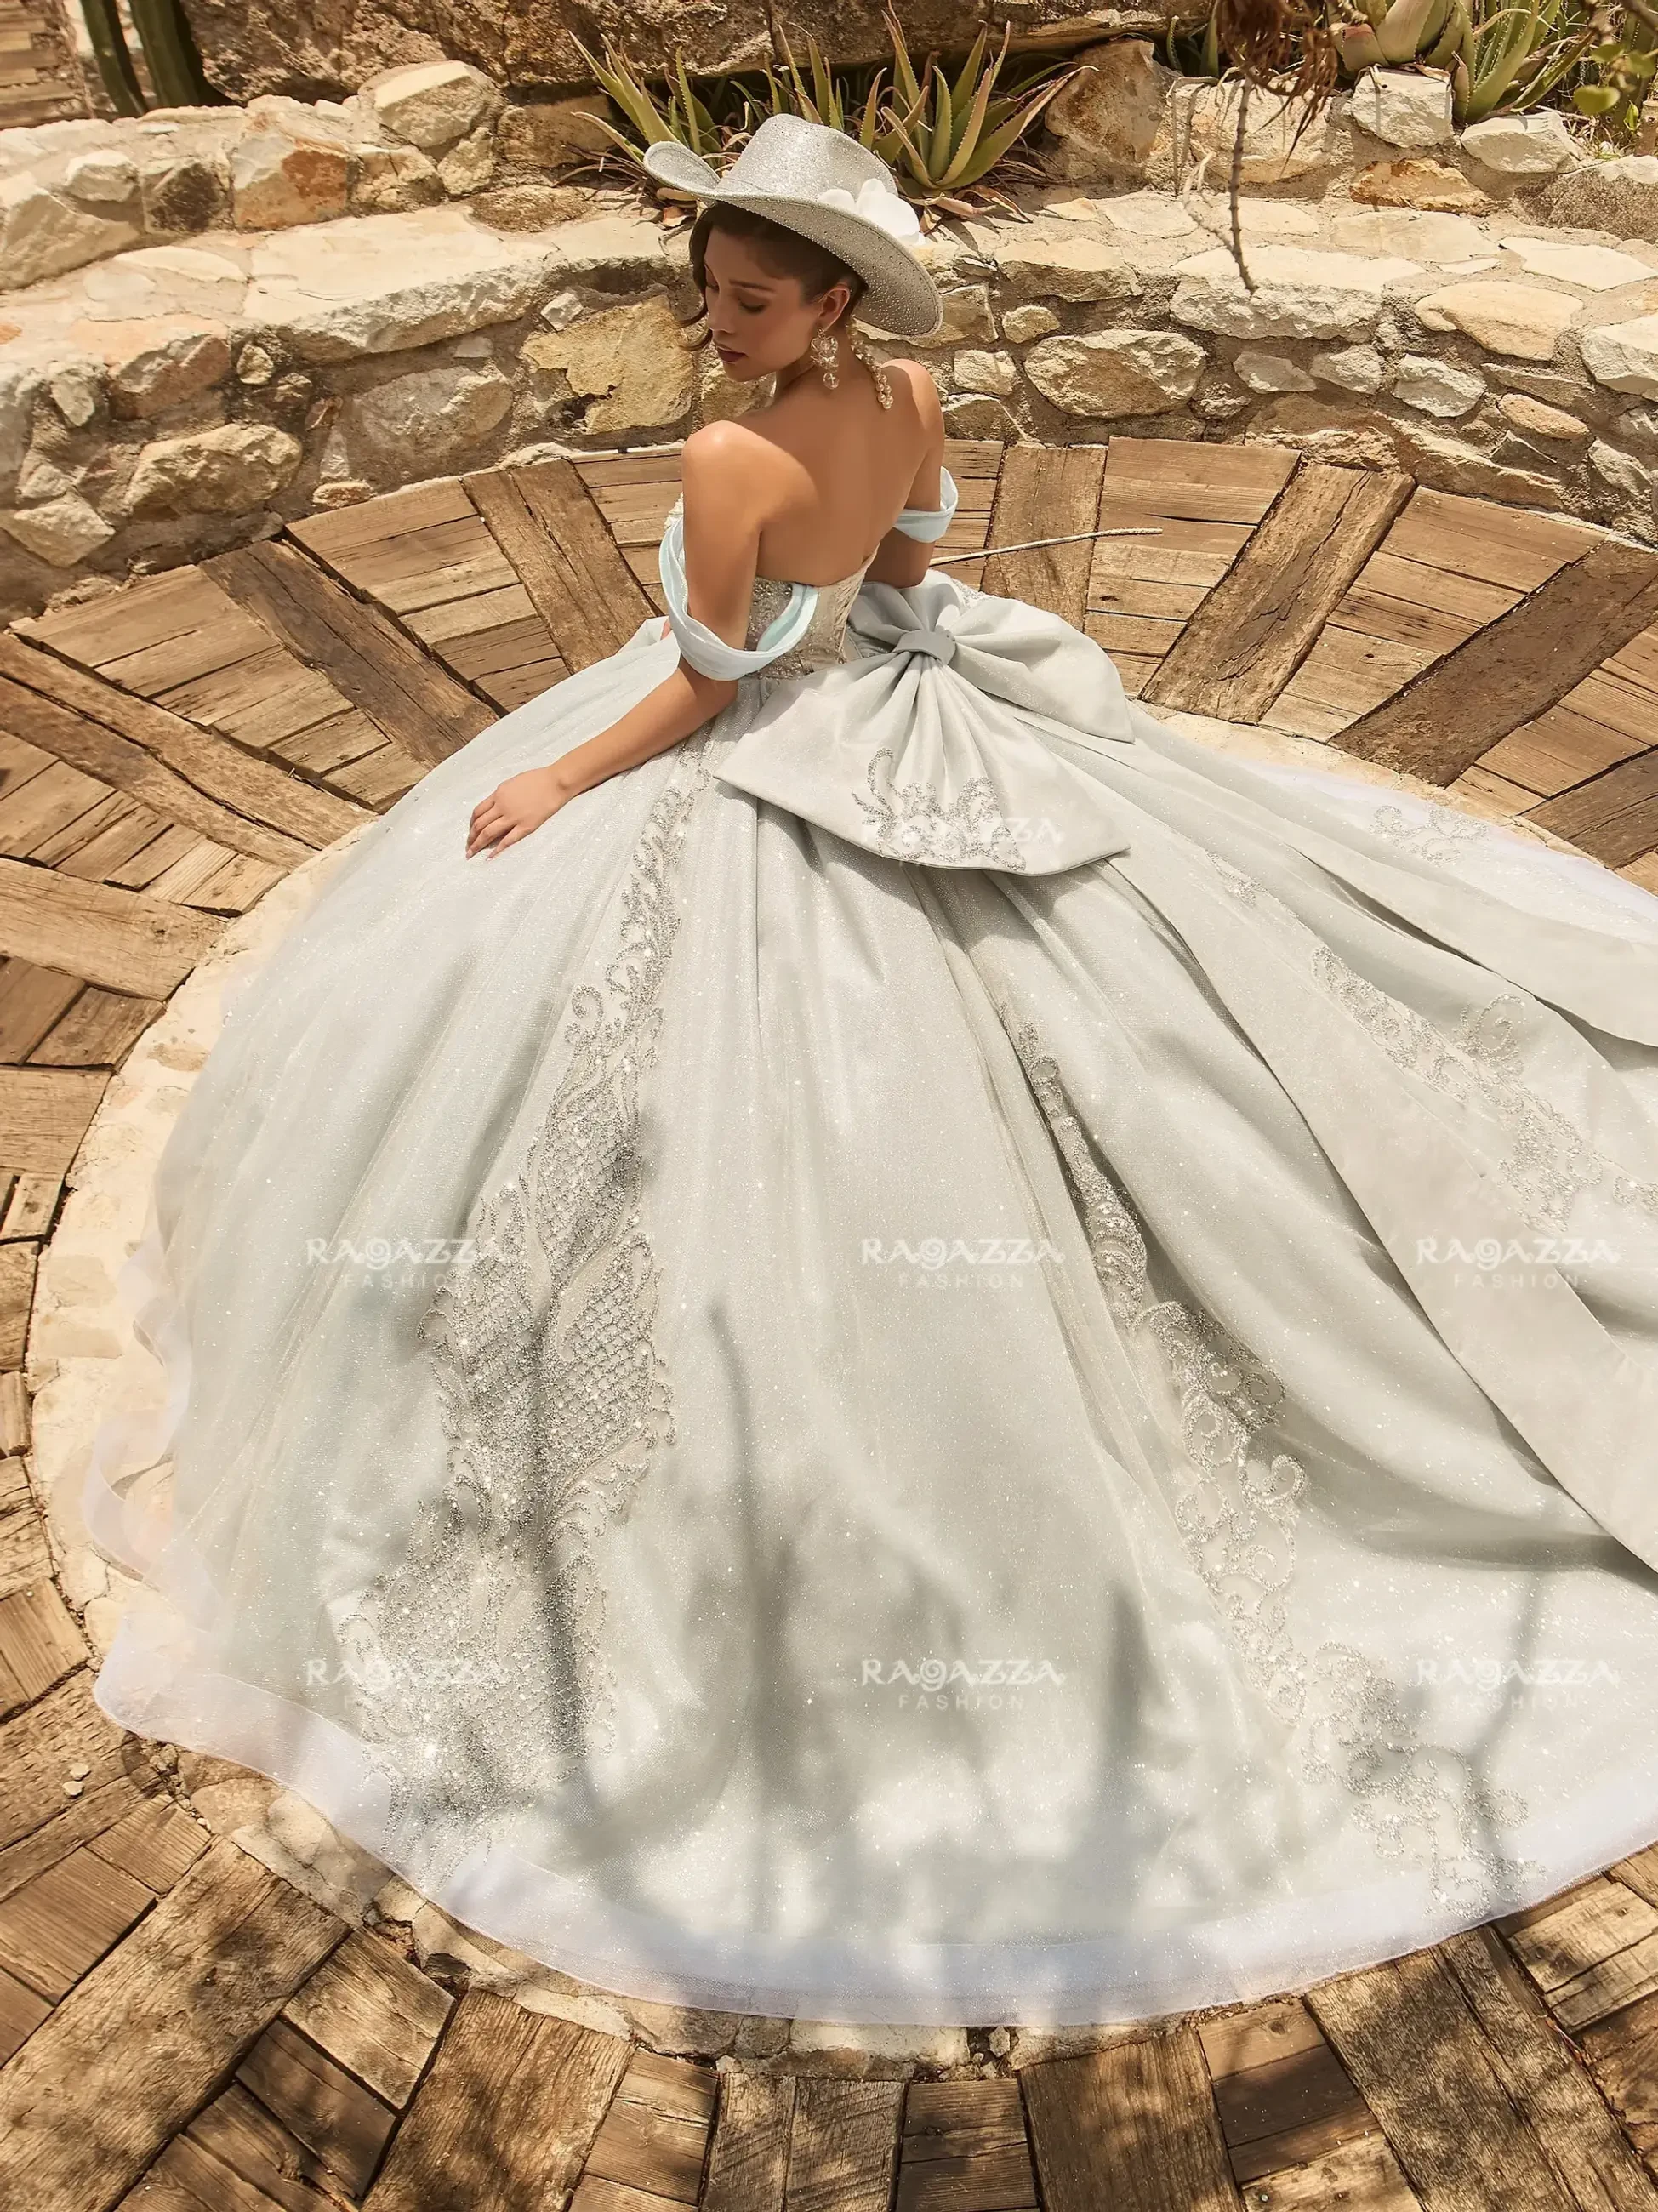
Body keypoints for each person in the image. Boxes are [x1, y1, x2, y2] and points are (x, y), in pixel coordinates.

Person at [82, 113, 1658, 2030]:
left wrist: (561, 775)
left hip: (764, 746)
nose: (719, 322)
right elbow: (914, 558)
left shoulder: (726, 450)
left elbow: (717, 679)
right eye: (711, 295)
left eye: (751, 296)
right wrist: (885, 641)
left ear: (828, 293)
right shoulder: (905, 388)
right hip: (914, 693)